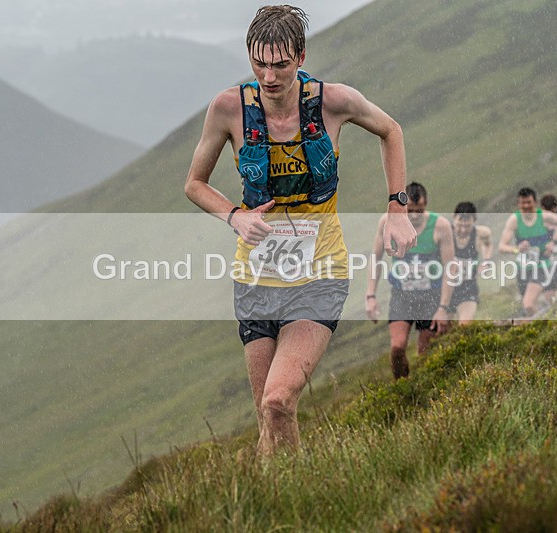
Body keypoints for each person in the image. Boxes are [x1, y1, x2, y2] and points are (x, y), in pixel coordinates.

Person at [184, 5, 416, 454]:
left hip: (319, 272)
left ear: (301, 56)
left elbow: (391, 131)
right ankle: (273, 506)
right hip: (255, 279)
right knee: (267, 422)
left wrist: (397, 207)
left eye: (281, 64)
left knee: (278, 400)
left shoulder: (333, 101)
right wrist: (235, 216)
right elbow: (194, 183)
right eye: (260, 63)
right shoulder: (230, 108)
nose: (269, 77)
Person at [365, 182, 454, 379]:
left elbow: (450, 268)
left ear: (426, 204)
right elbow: (375, 258)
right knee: (397, 348)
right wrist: (370, 295)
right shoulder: (387, 222)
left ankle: (425, 394)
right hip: (402, 296)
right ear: (403, 206)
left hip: (431, 297)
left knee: (425, 355)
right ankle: (402, 389)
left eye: (419, 210)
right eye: (410, 211)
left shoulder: (441, 226)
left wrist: (443, 307)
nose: (414, 216)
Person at [498, 188, 557, 317]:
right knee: (531, 306)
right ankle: (544, 325)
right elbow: (502, 246)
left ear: (535, 202)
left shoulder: (543, 216)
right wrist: (516, 249)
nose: (526, 206)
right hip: (524, 268)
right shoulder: (514, 220)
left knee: (528, 304)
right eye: (522, 203)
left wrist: (553, 242)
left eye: (528, 202)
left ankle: (547, 323)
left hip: (542, 266)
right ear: (518, 204)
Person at [447, 202, 492, 325]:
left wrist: (486, 261)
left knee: (464, 326)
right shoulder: (445, 233)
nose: (462, 230)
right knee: (443, 329)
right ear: (453, 217)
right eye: (459, 225)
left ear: (474, 221)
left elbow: (488, 244)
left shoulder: (481, 233)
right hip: (446, 288)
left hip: (468, 288)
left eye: (467, 226)